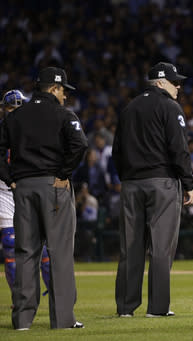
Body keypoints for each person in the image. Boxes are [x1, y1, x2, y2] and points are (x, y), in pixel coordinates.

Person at [0, 67, 88, 329]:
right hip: (53, 185)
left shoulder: (14, 117)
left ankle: (22, 320)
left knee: (25, 251)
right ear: (53, 88)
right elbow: (80, 144)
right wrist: (64, 173)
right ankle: (62, 320)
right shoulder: (63, 114)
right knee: (59, 251)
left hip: (22, 188)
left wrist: (10, 179)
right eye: (63, 90)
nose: (65, 96)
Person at [113, 62, 193, 318]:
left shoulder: (128, 108)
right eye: (174, 81)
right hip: (162, 183)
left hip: (131, 185)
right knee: (161, 248)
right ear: (160, 82)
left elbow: (116, 151)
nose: (179, 86)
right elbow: (179, 148)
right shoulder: (169, 106)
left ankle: (126, 308)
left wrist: (127, 178)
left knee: (131, 246)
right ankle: (157, 309)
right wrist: (188, 183)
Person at [0, 90, 51, 301]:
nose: (15, 112)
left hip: (28, 189)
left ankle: (56, 294)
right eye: (12, 108)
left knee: (44, 246)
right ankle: (19, 297)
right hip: (5, 191)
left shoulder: (32, 129)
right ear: (4, 110)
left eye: (19, 107)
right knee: (12, 246)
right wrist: (10, 181)